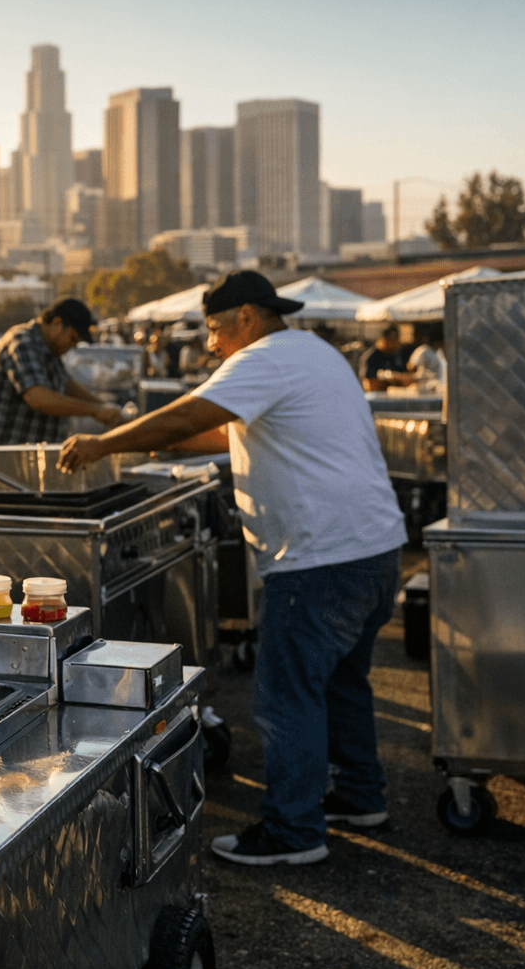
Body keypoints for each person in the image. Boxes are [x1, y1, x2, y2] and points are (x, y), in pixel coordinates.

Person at [59, 270, 406, 867]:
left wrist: (103, 443)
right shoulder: (315, 352)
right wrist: (147, 446)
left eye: (216, 329)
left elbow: (187, 416)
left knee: (286, 698)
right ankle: (358, 796)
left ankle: (295, 833)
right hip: (374, 549)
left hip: (317, 561)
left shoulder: (265, 356)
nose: (212, 344)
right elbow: (224, 431)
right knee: (343, 682)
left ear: (247, 317)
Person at [0, 298, 122, 446]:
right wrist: (95, 411)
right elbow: (39, 398)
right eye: (73, 338)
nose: (73, 346)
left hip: (23, 457)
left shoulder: (50, 350)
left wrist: (105, 407)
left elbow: (67, 385)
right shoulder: (22, 342)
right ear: (56, 323)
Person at [359, 325, 412, 391]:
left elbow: (407, 377)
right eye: (389, 340)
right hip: (377, 397)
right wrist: (386, 381)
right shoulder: (371, 357)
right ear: (381, 340)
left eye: (395, 340)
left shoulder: (398, 354)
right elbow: (368, 385)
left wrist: (397, 378)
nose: (394, 343)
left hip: (398, 395)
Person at [406, 324, 446, 394]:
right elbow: (410, 366)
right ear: (438, 342)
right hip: (424, 386)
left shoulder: (439, 353)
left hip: (436, 385)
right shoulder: (423, 350)